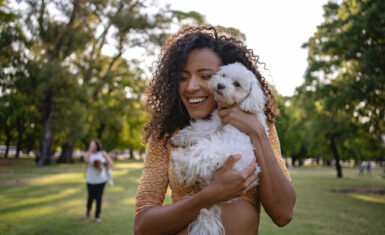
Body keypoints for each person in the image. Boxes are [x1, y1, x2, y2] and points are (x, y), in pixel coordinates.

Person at [134, 26, 296, 235]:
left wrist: (257, 134)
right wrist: (209, 196)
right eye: (183, 77)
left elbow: (283, 214)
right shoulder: (166, 135)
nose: (191, 86)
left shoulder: (259, 127)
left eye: (205, 76)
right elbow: (142, 227)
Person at [84, 138, 113, 222]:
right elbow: (86, 160)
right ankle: (88, 210)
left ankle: (97, 216)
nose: (92, 146)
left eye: (93, 144)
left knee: (99, 198)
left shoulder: (102, 153)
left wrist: (104, 166)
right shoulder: (87, 154)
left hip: (101, 180)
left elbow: (110, 163)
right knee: (90, 197)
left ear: (97, 145)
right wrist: (90, 149)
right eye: (91, 144)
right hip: (90, 180)